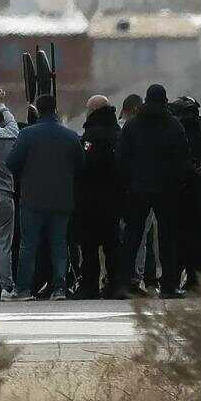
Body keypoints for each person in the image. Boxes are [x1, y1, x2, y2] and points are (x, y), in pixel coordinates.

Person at [6, 94, 81, 301]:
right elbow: (80, 166)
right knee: (59, 244)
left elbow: (11, 163)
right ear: (55, 109)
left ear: (37, 110)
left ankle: (24, 290)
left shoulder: (27, 135)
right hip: (62, 199)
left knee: (28, 245)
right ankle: (60, 288)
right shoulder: (71, 136)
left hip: (32, 199)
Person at [118, 84, 189, 298]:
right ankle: (168, 285)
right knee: (167, 238)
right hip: (166, 189)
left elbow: (121, 158)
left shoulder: (132, 126)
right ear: (164, 100)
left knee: (132, 237)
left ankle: (124, 284)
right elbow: (183, 159)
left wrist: (128, 183)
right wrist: (177, 183)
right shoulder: (174, 125)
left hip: (137, 188)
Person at [75, 95, 124, 299]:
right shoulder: (118, 133)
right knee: (112, 244)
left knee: (89, 246)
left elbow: (84, 165)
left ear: (93, 110)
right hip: (114, 198)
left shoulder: (91, 136)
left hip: (91, 199)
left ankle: (89, 286)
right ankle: (116, 284)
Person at [170, 96, 201, 290]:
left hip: (196, 194)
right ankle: (195, 278)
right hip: (187, 193)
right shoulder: (199, 134)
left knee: (194, 239)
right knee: (189, 239)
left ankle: (198, 278)